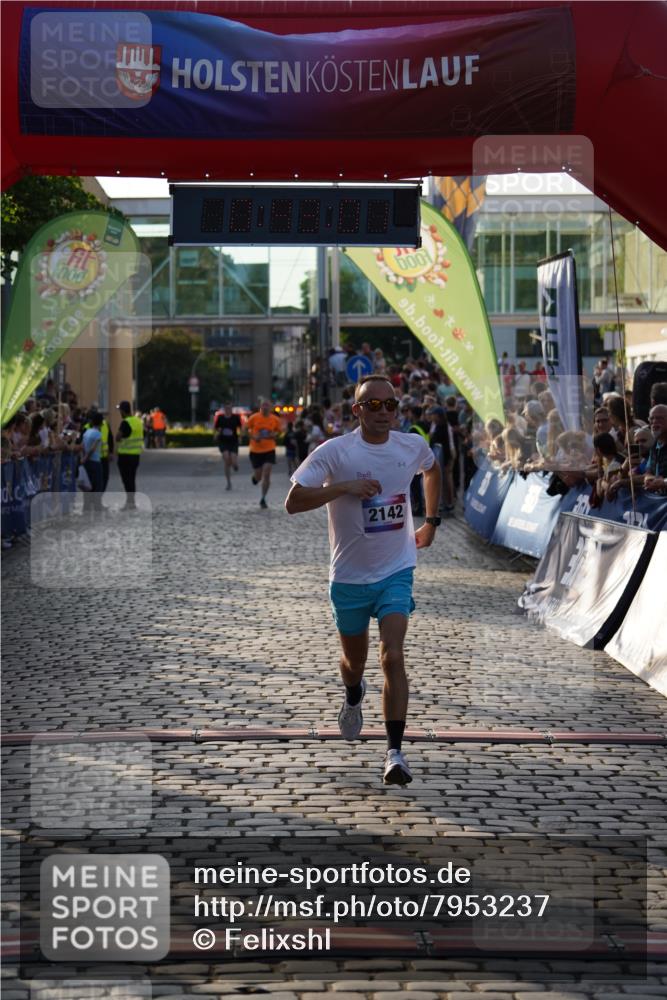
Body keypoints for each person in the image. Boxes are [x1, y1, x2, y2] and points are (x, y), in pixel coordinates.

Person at [285, 375, 442, 786]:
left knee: (393, 655)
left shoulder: (411, 446)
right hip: (350, 577)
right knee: (354, 663)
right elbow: (293, 502)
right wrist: (345, 488)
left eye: (390, 405)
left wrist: (431, 521)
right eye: (373, 405)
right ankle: (354, 693)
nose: (383, 412)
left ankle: (394, 753)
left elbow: (432, 469)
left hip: (396, 569)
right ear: (356, 410)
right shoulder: (335, 452)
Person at [246, 399, 281, 509]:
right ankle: (255, 478)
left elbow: (279, 431)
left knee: (267, 473)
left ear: (270, 407)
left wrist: (275, 435)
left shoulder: (275, 419)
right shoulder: (254, 418)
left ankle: (263, 498)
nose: (265, 407)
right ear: (260, 407)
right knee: (259, 476)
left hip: (269, 449)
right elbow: (245, 429)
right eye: (263, 405)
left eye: (267, 405)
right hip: (255, 450)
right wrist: (253, 437)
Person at [116, 400, 144, 510]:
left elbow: (118, 437)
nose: (119, 413)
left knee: (126, 480)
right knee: (131, 479)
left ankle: (130, 502)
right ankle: (131, 502)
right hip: (135, 455)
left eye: (120, 410)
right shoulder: (138, 421)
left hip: (125, 456)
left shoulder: (125, 422)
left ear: (123, 411)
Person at [81, 410, 104, 512]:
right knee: (97, 485)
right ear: (101, 423)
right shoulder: (98, 434)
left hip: (87, 463)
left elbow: (82, 446)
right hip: (95, 462)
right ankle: (97, 507)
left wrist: (83, 458)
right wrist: (86, 457)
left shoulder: (87, 432)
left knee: (87, 485)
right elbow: (93, 449)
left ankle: (86, 507)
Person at [214, 403, 241, 490]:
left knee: (233, 460)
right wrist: (216, 434)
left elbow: (239, 428)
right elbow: (216, 428)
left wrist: (240, 437)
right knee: (226, 459)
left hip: (233, 441)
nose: (228, 410)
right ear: (224, 409)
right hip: (223, 441)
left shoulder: (235, 417)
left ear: (231, 409)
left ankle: (235, 465)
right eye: (226, 408)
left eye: (229, 408)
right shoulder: (220, 418)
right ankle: (228, 482)